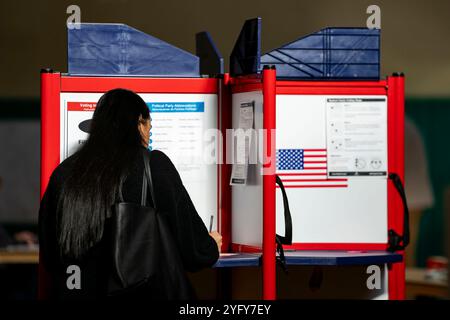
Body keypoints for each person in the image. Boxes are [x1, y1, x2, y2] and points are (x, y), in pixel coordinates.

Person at [38, 88, 222, 299]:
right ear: (139, 123)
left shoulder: (66, 172)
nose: (148, 136)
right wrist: (210, 246)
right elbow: (193, 253)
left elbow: (50, 250)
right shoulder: (153, 166)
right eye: (149, 128)